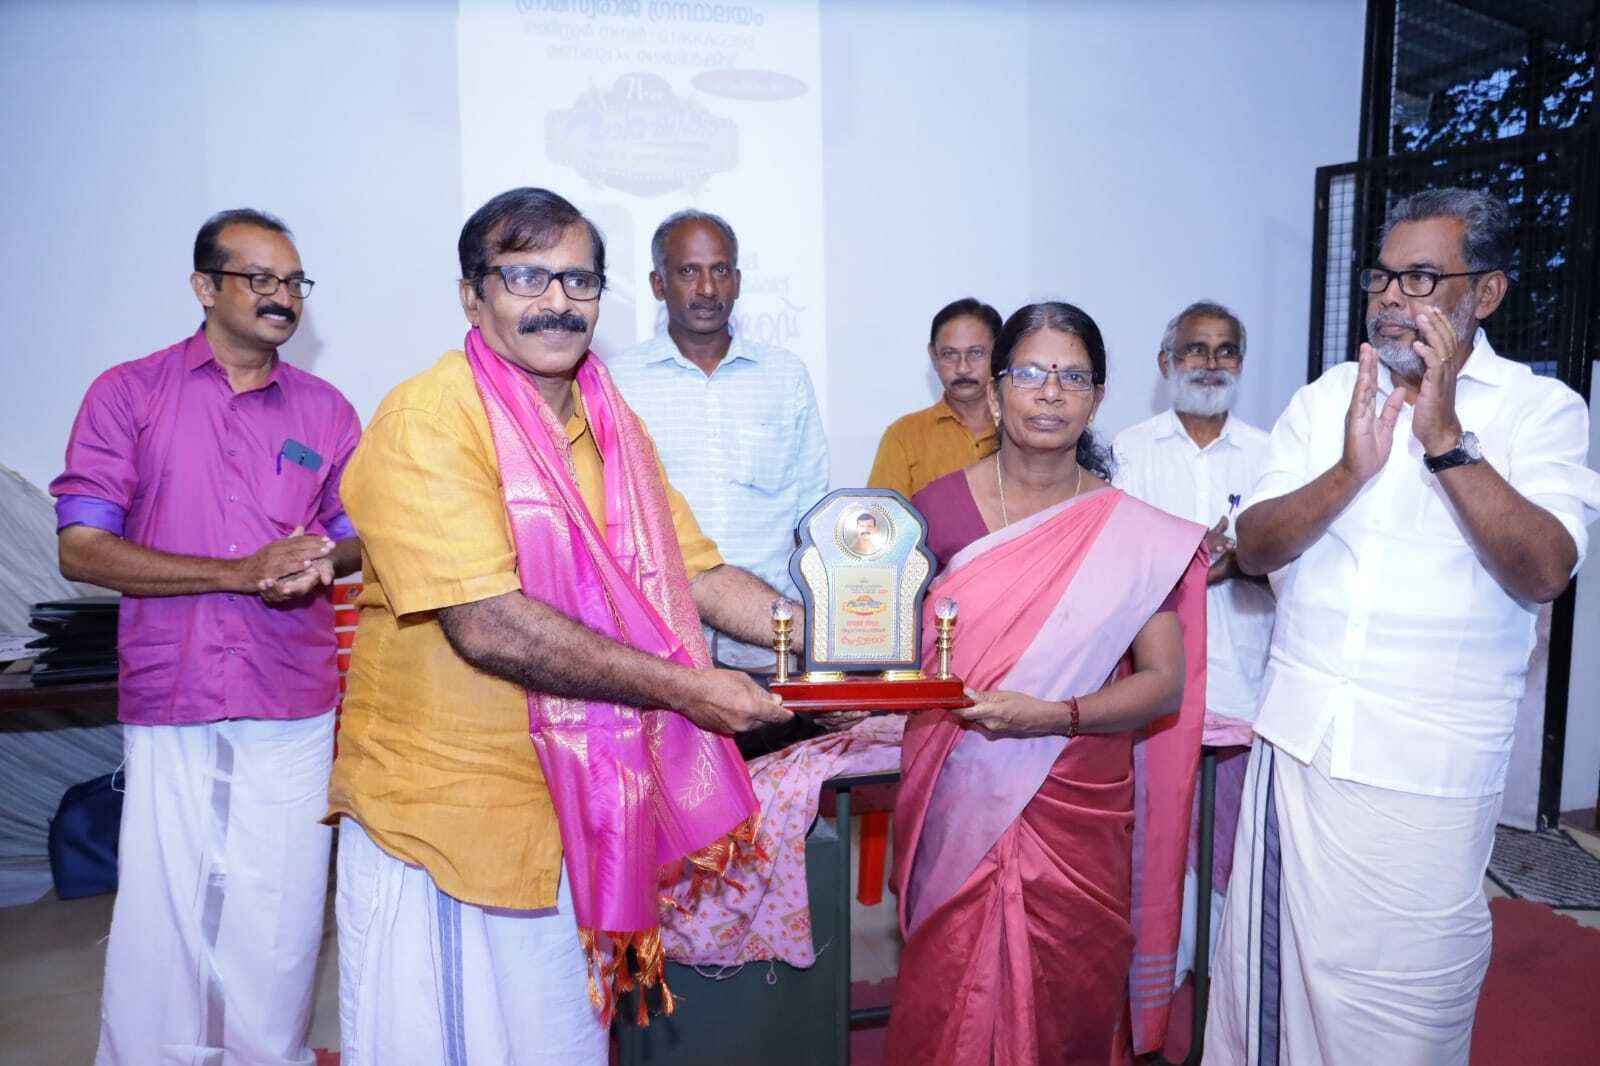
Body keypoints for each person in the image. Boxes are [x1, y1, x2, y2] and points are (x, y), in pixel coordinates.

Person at [327, 187, 801, 1065]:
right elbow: (488, 626)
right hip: (447, 822)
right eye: (526, 277)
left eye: (578, 280)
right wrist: (686, 690)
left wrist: (838, 635)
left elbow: (695, 572)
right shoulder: (429, 419)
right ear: (472, 296)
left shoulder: (609, 424)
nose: (557, 302)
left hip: (574, 809)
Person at [1207, 188, 1600, 1065]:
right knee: (1271, 996)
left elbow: (1545, 569)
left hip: (1430, 770)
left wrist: (1447, 438)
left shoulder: (1540, 410)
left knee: (1407, 1014)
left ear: (1485, 293)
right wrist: (1348, 472)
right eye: (1382, 276)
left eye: (1420, 277)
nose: (1390, 295)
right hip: (1302, 751)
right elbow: (1255, 546)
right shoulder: (1327, 399)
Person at [51, 208, 363, 1065]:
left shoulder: (326, 410)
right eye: (259, 279)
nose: (282, 297)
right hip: (176, 683)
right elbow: (82, 547)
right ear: (204, 286)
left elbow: (357, 536)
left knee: (282, 908)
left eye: (293, 282)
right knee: (167, 905)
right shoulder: (129, 393)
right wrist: (236, 572)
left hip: (291, 689)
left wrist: (321, 560)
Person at [887, 301, 1210, 1064]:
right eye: (1030, 372)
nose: (1051, 392)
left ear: (1098, 398)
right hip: (959, 787)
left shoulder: (1131, 531)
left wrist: (1054, 715)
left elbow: (1163, 684)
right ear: (997, 391)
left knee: (1069, 995)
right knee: (952, 991)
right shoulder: (935, 511)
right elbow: (894, 651)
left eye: (1074, 377)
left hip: (1079, 798)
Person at [1111, 299, 1273, 1026]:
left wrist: (1243, 556)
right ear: (1166, 363)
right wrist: (1190, 557)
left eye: (1225, 350)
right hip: (1157, 682)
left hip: (1246, 676)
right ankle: (1160, 964)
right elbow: (1114, 564)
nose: (1211, 363)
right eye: (1195, 349)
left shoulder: (1272, 455)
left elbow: (1289, 559)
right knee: (1157, 831)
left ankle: (1225, 969)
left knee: (1234, 836)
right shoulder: (1127, 452)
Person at [606, 209, 828, 669]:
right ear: (658, 284)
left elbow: (812, 516)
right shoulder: (618, 381)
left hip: (770, 646)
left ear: (738, 281)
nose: (707, 288)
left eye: (720, 270)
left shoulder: (784, 376)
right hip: (660, 647)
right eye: (688, 271)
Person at [868, 297, 1002, 499]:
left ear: (999, 353)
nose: (962, 368)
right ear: (933, 356)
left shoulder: (1022, 429)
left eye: (976, 353)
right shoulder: (904, 436)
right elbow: (881, 516)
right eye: (949, 354)